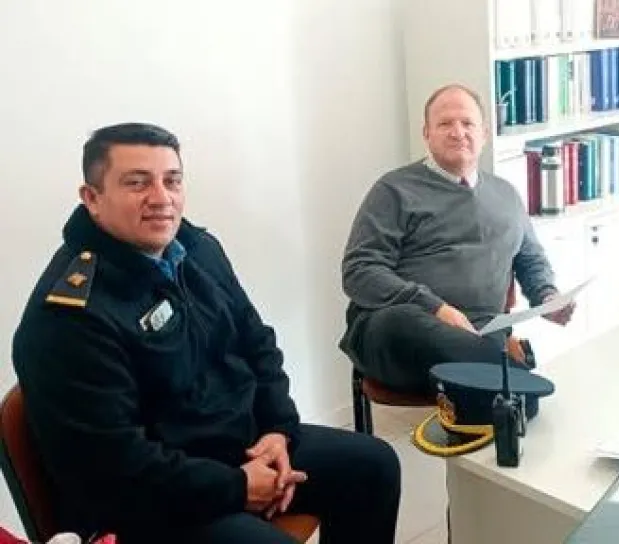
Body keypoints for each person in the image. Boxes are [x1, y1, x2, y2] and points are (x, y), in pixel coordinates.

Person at [11, 123, 401, 543]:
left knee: (372, 466)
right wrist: (237, 486)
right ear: (92, 198)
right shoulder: (69, 318)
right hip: (148, 502)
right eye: (137, 183)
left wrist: (277, 432)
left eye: (172, 180)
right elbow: (117, 469)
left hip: (234, 448)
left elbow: (257, 344)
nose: (161, 198)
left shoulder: (195, 249)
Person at [340, 83, 574, 394]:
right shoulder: (394, 190)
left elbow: (531, 260)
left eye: (467, 123)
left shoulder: (506, 195)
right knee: (401, 322)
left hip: (479, 334)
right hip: (407, 329)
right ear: (426, 134)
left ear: (484, 134)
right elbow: (359, 271)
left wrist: (548, 297)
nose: (457, 132)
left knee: (483, 381)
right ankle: (510, 384)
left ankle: (502, 386)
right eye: (445, 124)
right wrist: (436, 308)